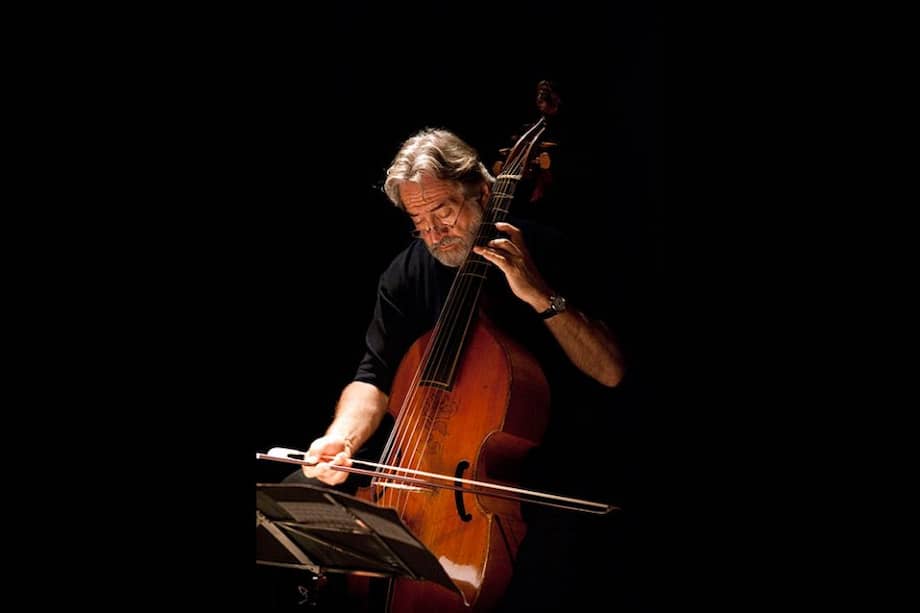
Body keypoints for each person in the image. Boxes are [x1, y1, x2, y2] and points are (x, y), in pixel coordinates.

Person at [285, 127, 628, 611]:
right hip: (424, 478)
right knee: (297, 505)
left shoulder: (548, 251)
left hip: (543, 483)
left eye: (443, 213)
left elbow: (611, 371)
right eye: (418, 221)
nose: (432, 234)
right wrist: (341, 439)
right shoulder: (406, 274)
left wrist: (539, 296)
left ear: (484, 192)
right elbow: (373, 377)